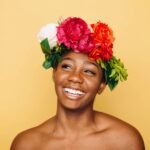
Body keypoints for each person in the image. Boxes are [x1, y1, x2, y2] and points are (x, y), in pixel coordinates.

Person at [11, 17, 145, 150]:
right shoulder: (26, 144)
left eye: (89, 71)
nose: (75, 77)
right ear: (54, 73)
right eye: (67, 67)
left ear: (101, 85)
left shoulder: (125, 141)